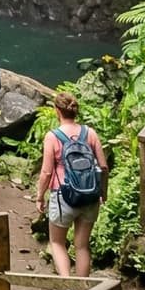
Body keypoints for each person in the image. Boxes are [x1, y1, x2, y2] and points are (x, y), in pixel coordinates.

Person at [32, 90, 108, 277]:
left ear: (57, 111)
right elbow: (103, 167)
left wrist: (40, 197)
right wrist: (102, 193)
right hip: (90, 195)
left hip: (62, 196)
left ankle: (67, 289)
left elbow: (46, 172)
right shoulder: (90, 133)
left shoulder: (53, 136)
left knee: (57, 243)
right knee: (82, 246)